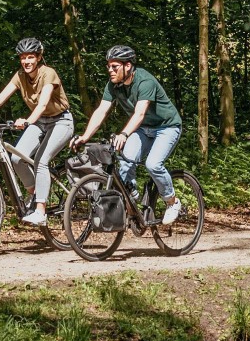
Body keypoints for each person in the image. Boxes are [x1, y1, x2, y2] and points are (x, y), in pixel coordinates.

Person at [0, 38, 74, 227]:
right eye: (23, 58)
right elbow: (0, 98)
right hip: (39, 121)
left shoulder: (48, 73)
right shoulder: (20, 76)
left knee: (41, 160)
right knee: (16, 158)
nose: (26, 61)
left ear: (39, 57)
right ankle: (35, 195)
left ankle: (40, 211)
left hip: (61, 121)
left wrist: (28, 120)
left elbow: (44, 103)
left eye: (30, 57)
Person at [74, 45, 185, 224]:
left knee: (153, 164)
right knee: (125, 160)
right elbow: (101, 110)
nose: (110, 70)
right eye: (108, 66)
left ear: (128, 66)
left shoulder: (144, 81)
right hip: (143, 129)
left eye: (114, 67)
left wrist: (124, 134)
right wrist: (85, 136)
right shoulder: (113, 85)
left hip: (166, 127)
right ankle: (132, 198)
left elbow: (140, 113)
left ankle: (172, 202)